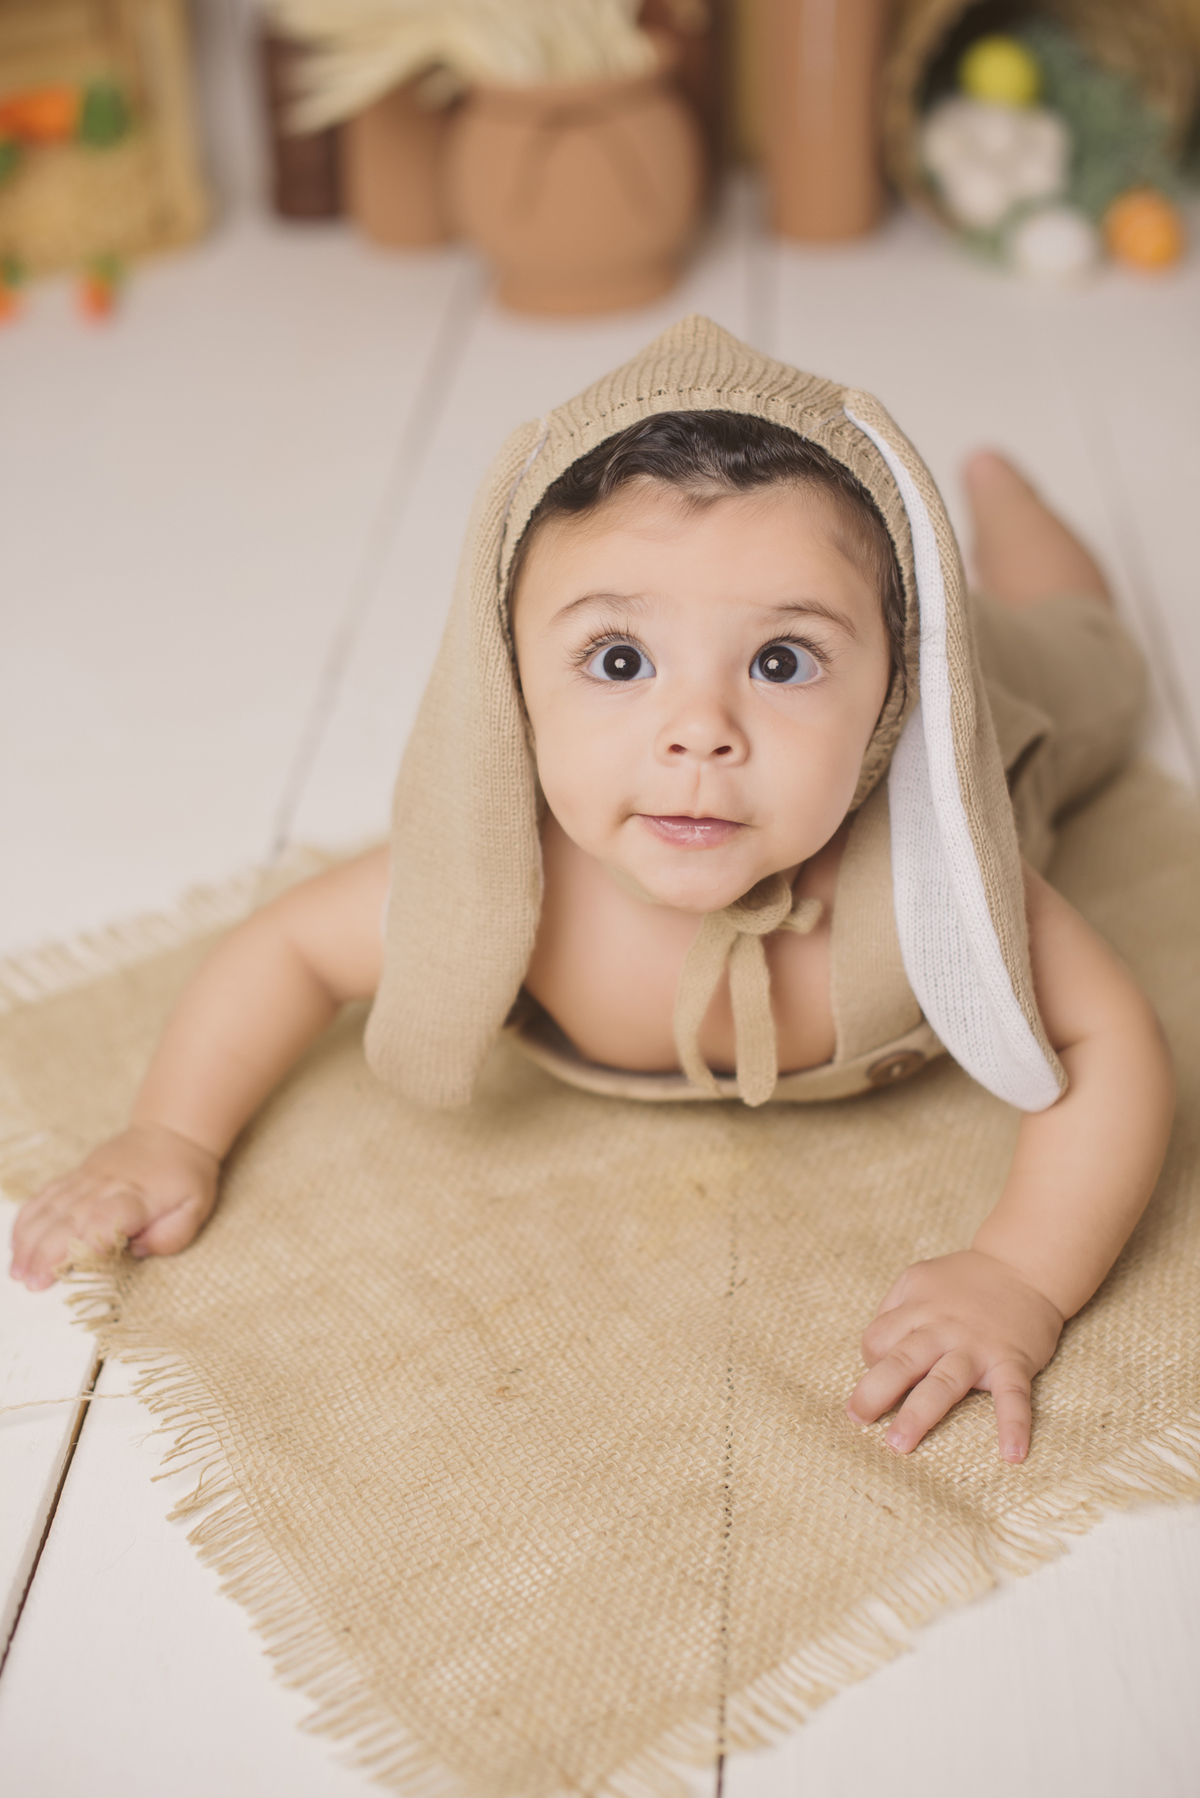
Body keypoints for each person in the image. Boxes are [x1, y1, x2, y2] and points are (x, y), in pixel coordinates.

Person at [9, 320, 1174, 1469]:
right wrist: (169, 1131)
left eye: (783, 661)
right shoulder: (497, 889)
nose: (700, 734)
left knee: (1084, 649)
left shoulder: (941, 859)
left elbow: (1110, 1037)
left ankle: (1008, 503)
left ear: (890, 689)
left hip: (1009, 694)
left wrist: (1020, 1273)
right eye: (620, 660)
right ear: (511, 679)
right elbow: (288, 954)